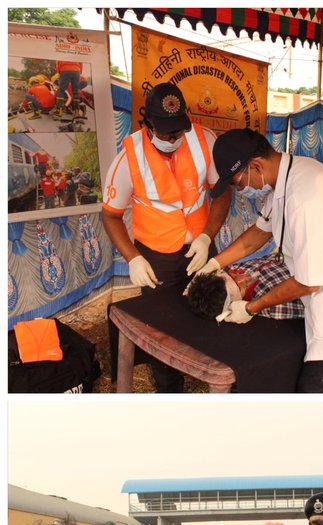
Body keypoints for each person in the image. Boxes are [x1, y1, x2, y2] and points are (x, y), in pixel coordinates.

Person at [203, 129, 323, 391]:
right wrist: (214, 264)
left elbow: (308, 282)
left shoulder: (305, 198)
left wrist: (251, 308)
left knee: (315, 399)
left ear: (256, 165)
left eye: (237, 183)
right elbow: (259, 232)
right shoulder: (290, 175)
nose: (240, 190)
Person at [100, 82, 230, 391]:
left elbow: (221, 194)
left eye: (178, 132)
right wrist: (133, 258)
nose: (173, 139)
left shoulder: (204, 141)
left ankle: (214, 378)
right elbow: (111, 215)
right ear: (147, 125)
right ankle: (170, 391)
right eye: (166, 134)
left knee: (213, 310)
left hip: (201, 248)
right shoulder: (127, 158)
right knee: (162, 328)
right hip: (156, 256)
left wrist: (206, 237)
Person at [184, 255, 308, 322]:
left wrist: (214, 263)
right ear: (234, 304)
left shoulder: (233, 268)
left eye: (232, 275)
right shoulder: (273, 306)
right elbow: (309, 286)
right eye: (238, 286)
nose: (242, 277)